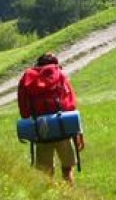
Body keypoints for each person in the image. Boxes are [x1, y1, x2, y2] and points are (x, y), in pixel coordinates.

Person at [17, 53, 85, 185]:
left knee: (45, 173)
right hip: (63, 127)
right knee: (67, 169)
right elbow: (71, 105)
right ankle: (70, 195)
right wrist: (78, 132)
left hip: (41, 130)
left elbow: (24, 110)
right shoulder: (60, 75)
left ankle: (49, 197)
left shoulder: (27, 79)